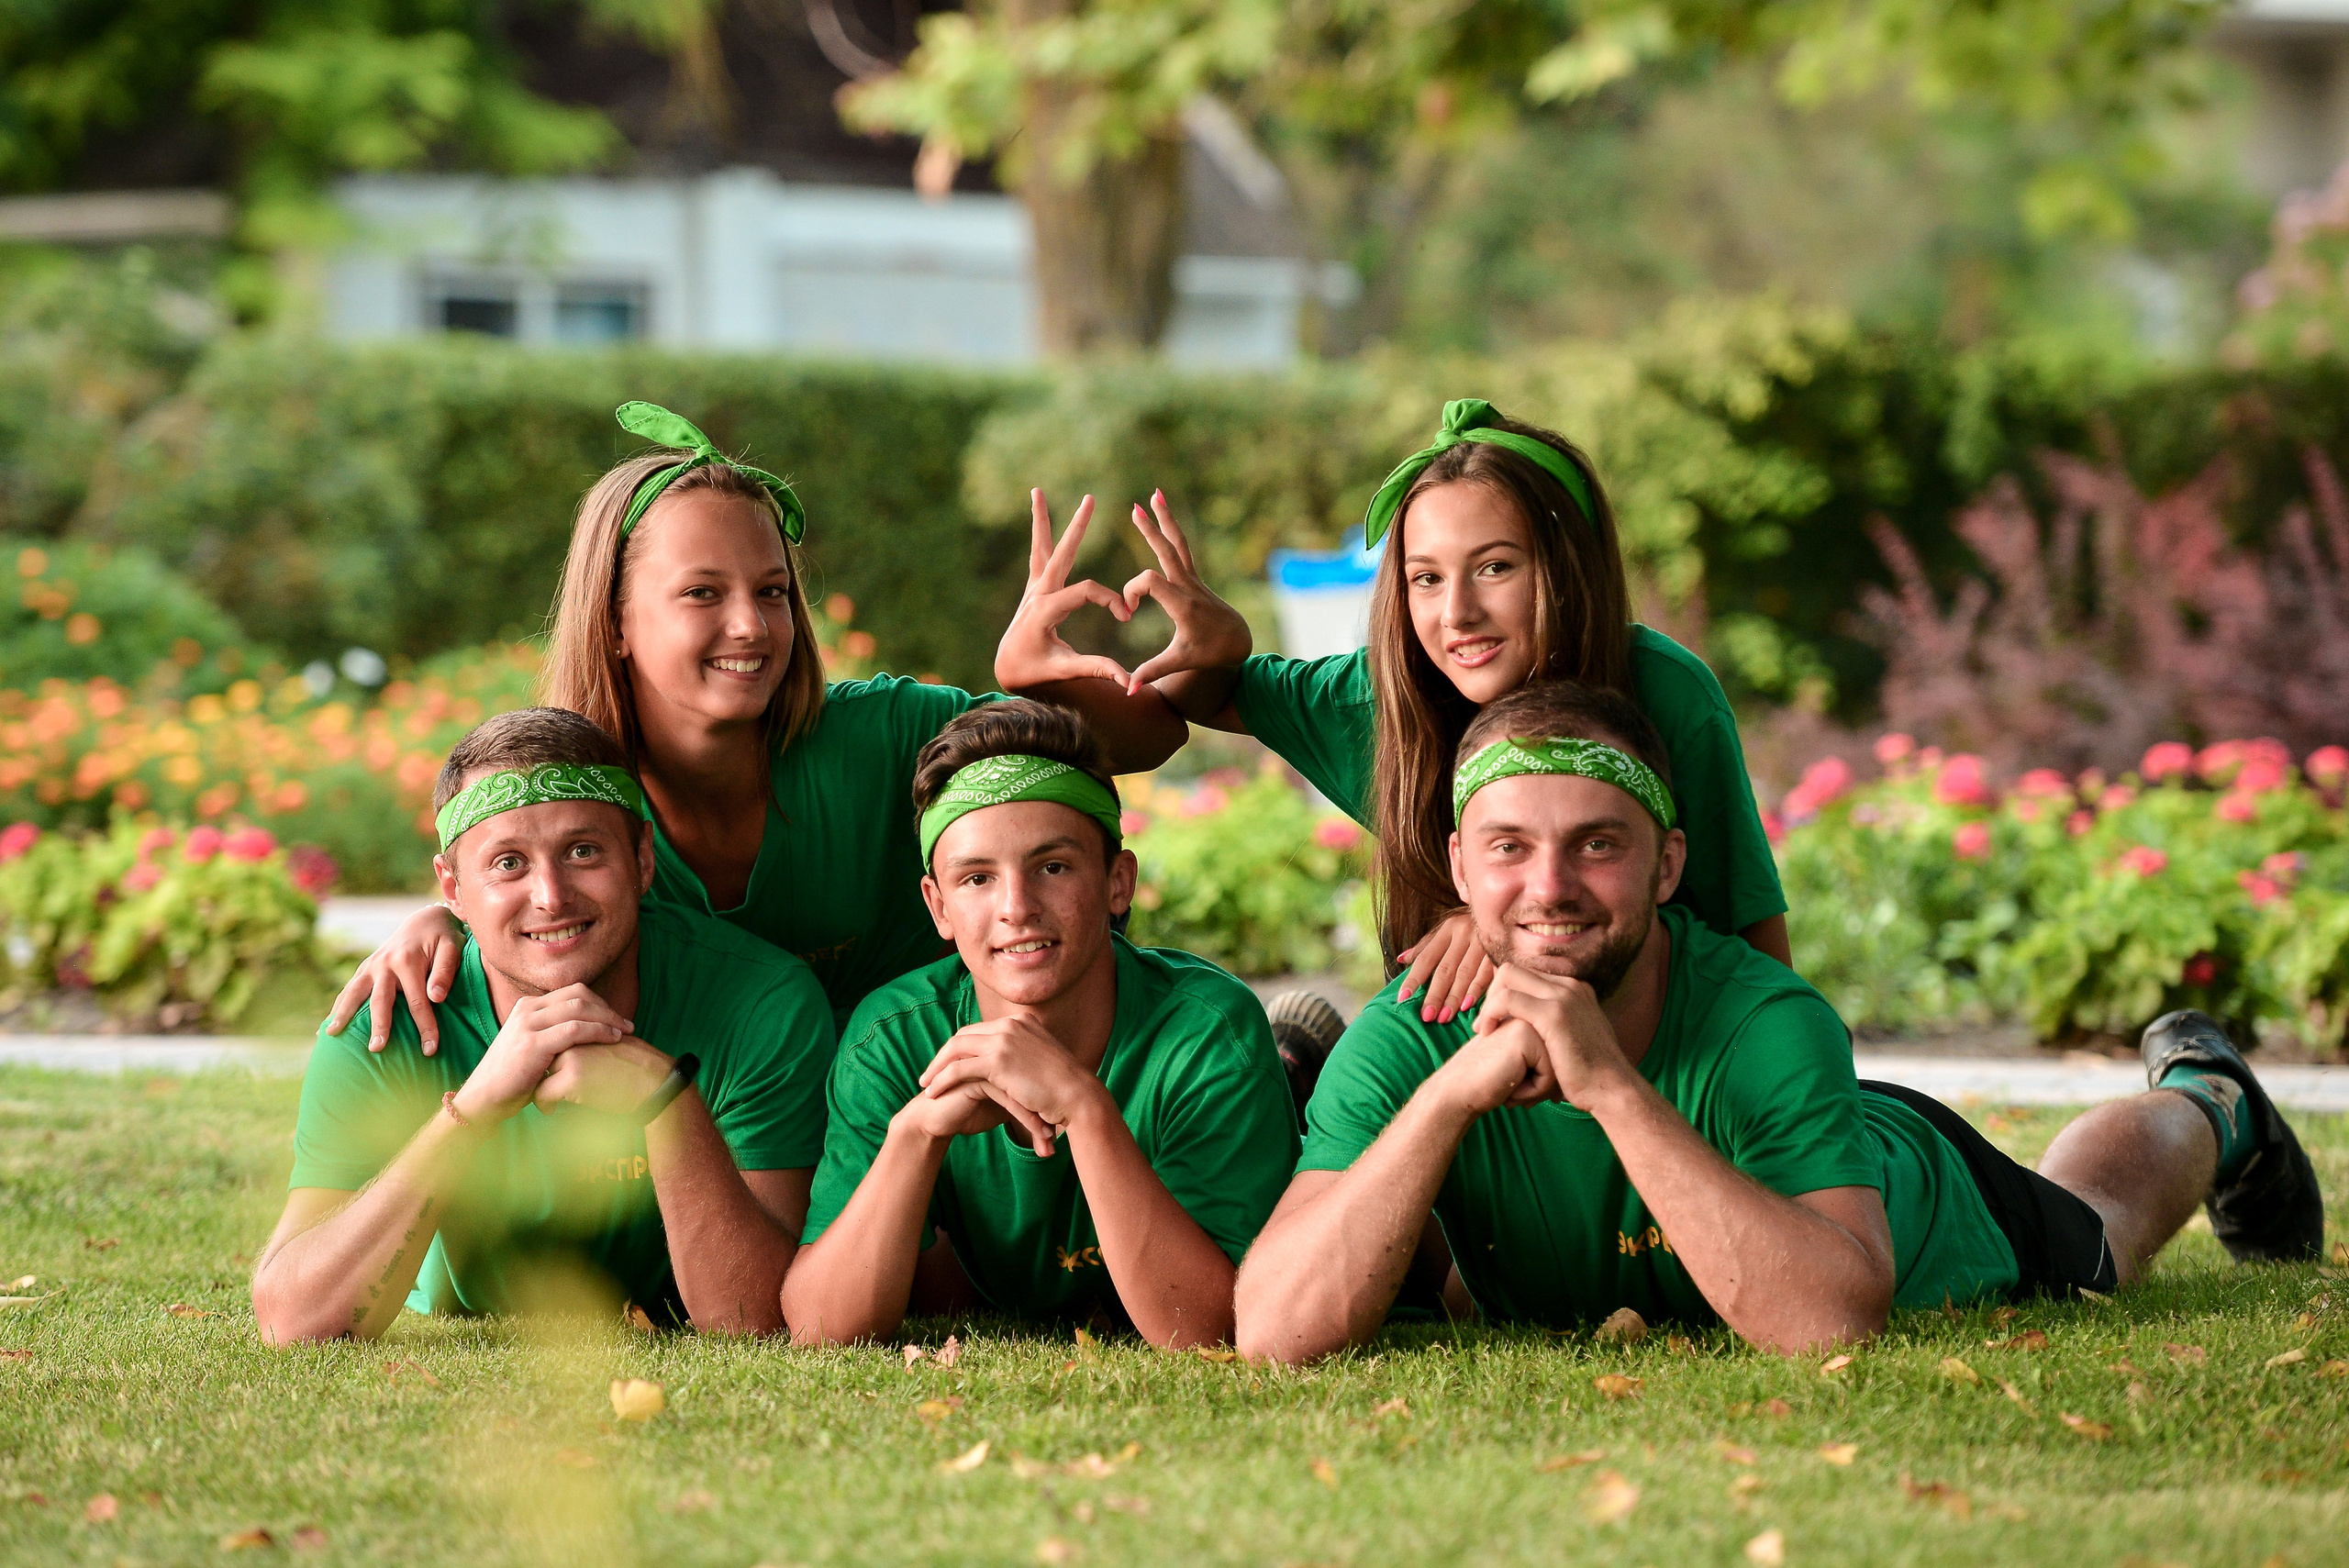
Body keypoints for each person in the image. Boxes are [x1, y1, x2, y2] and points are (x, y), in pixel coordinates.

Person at [1231, 683, 2322, 1362]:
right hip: (1656, 1201)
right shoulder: (1410, 1032)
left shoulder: (1765, 1020)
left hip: (1886, 1190)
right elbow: (1275, 1332)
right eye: (1509, 846)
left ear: (1667, 863)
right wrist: (1451, 1095)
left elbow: (1828, 1325)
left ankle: (2209, 1097)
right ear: (1459, 867)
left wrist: (1608, 1081)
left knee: (2104, 1230)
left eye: (1597, 844)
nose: (1550, 884)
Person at [328, 404, 1187, 1047]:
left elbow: (1140, 745)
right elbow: (512, 896)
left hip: (956, 1097)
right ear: (617, 619)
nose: (752, 625)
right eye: (704, 593)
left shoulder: (885, 733)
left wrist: (1041, 690)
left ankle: (1286, 1060)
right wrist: (439, 926)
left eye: (772, 591)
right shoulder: (577, 806)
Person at [996, 400, 1790, 1047]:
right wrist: (1038, 674)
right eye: (1425, 578)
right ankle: (1299, 1069)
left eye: (1495, 567)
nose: (1458, 612)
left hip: (1646, 1067)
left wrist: (1512, 920)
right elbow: (1183, 708)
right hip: (1451, 1076)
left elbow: (1752, 946)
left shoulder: (1665, 691)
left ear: (1567, 564)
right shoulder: (1391, 696)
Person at [251, 708, 836, 1343]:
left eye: (583, 851)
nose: (552, 895)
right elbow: (292, 1320)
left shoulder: (760, 1002)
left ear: (642, 858)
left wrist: (666, 1100)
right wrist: (471, 1110)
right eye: (507, 863)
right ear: (452, 886)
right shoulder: (387, 1018)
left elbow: (757, 1322)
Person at [782, 700, 1297, 1349]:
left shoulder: (1206, 1031)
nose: (1016, 908)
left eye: (1053, 867)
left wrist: (1086, 1108)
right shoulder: (890, 1040)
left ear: (1118, 881)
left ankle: (1296, 1061)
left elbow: (1211, 1331)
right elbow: (819, 1331)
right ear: (936, 906)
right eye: (976, 878)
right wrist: (915, 1132)